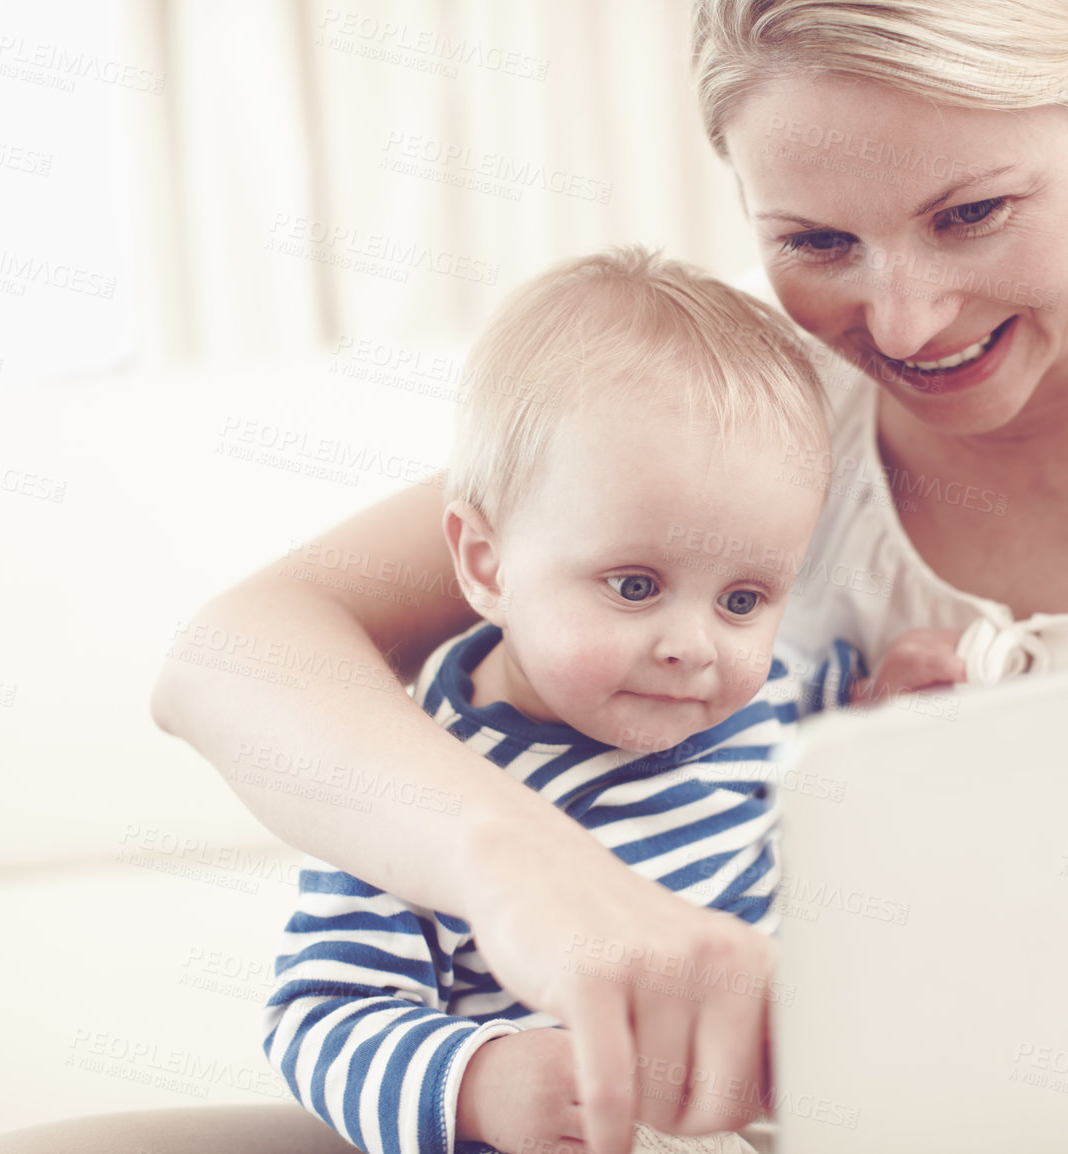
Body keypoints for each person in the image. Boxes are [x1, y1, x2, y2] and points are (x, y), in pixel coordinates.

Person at [0, 3, 1068, 1154]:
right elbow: (232, 657)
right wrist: (542, 887)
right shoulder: (746, 403)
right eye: (815, 240)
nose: (904, 320)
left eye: (973, 212)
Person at [262, 248, 961, 1154]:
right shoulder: (417, 778)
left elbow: (829, 733)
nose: (692, 646)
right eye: (634, 586)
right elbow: (320, 1017)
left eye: (743, 600)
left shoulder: (761, 700)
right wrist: (481, 1081)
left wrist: (887, 704)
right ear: (485, 563)